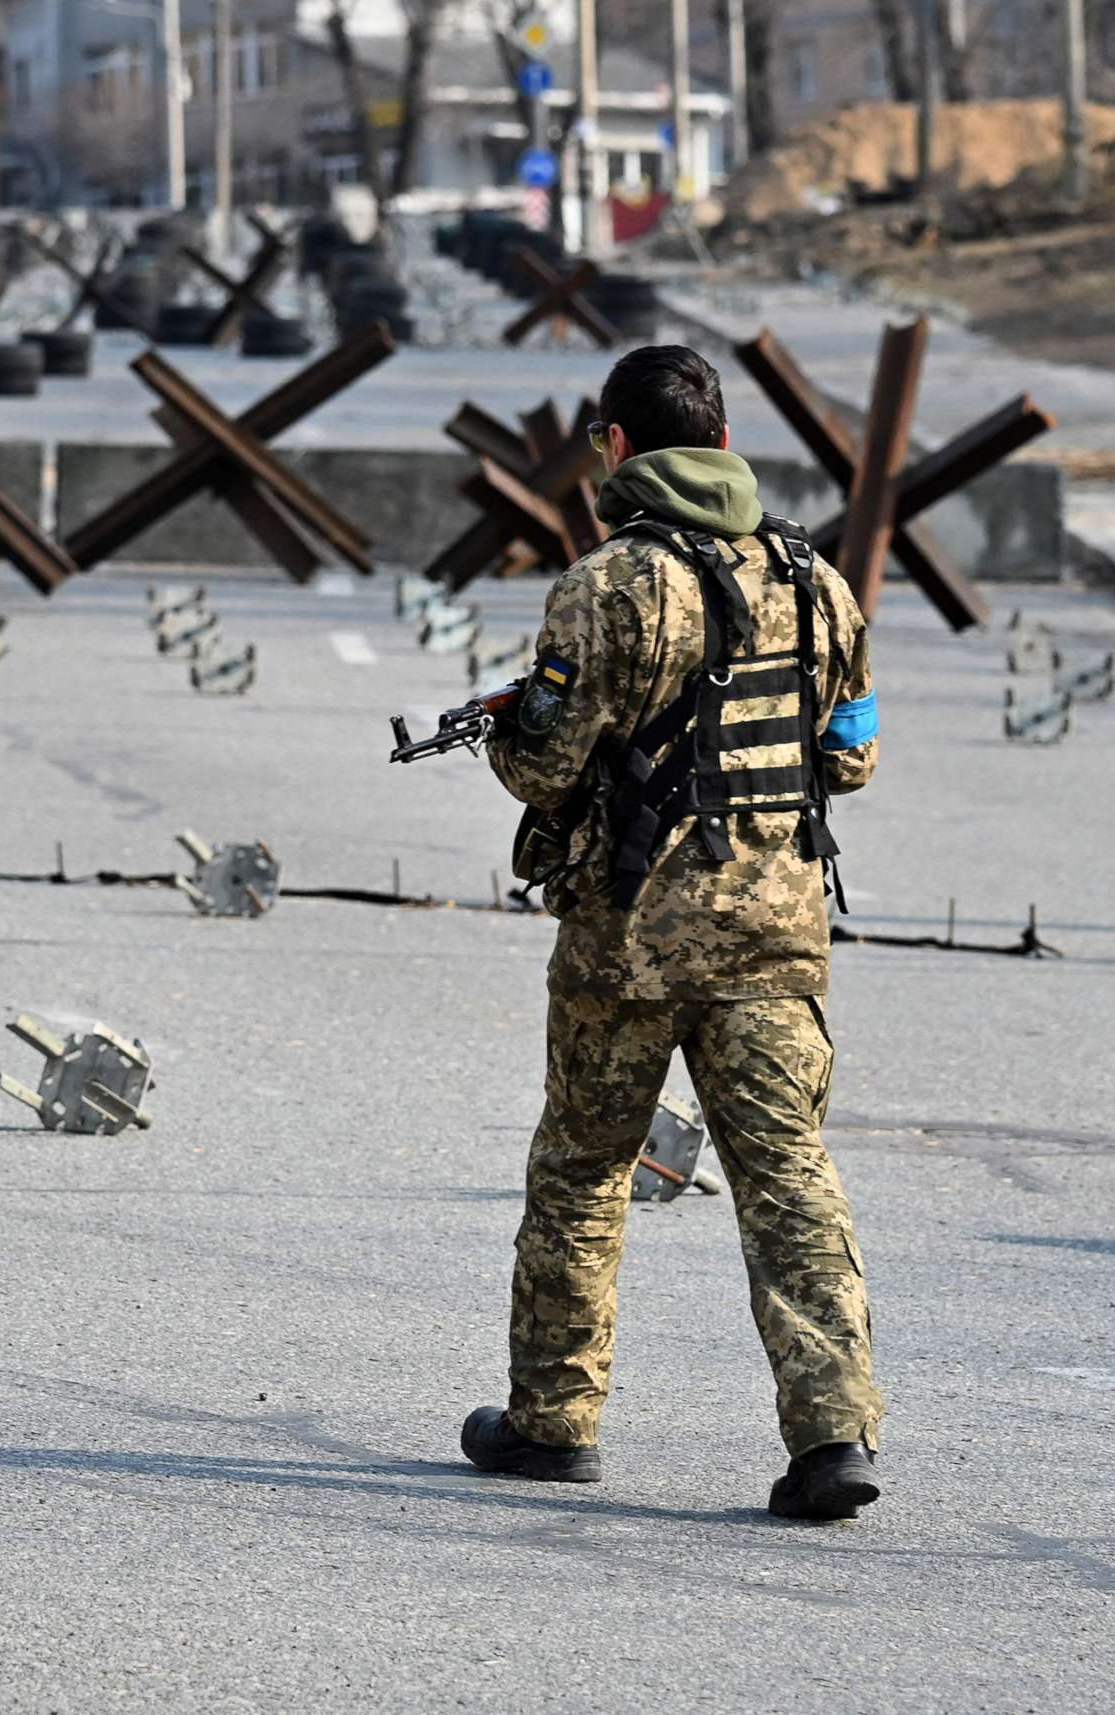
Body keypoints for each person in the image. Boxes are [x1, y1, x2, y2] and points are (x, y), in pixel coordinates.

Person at [459, 344, 887, 1523]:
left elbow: (543, 767)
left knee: (585, 1170)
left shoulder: (607, 587)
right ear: (726, 444)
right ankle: (833, 1437)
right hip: (777, 941)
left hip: (630, 944)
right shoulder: (817, 581)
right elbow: (852, 755)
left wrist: (514, 728)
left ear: (615, 448)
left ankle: (553, 1423)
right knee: (789, 1180)